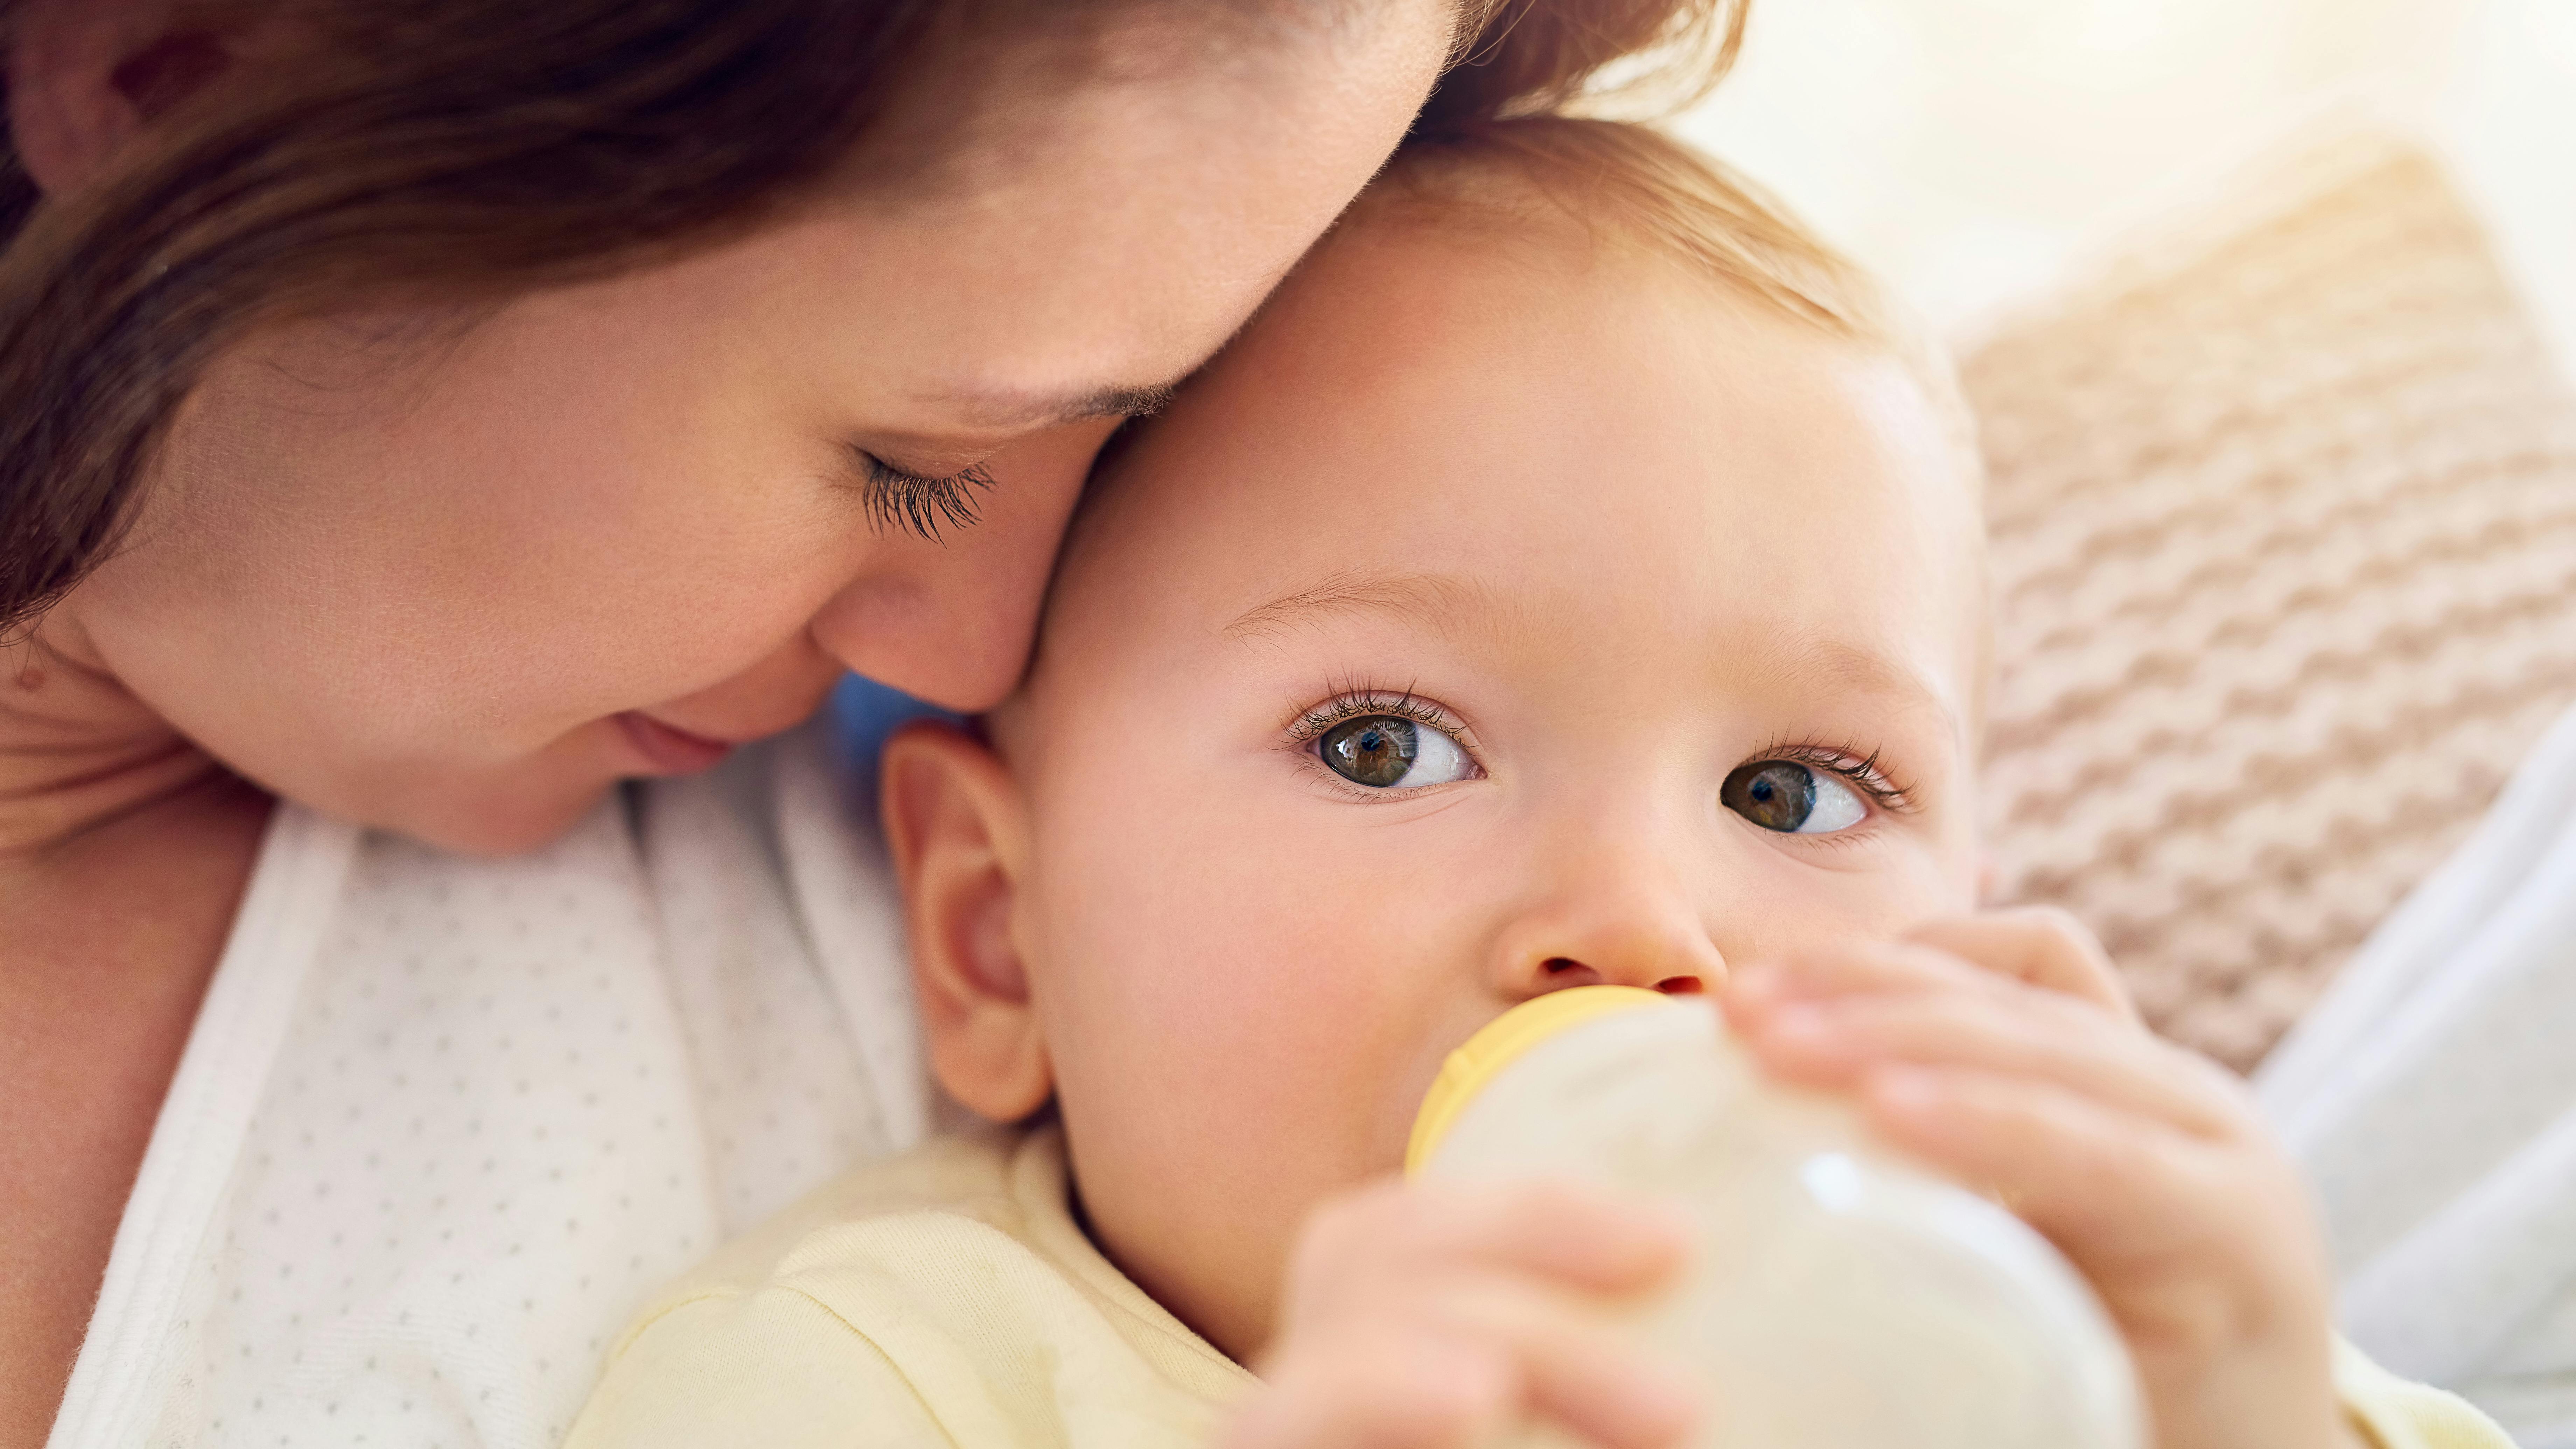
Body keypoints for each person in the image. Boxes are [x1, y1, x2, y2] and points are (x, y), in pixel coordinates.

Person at [563, 120, 2511, 1449]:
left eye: (1796, 791)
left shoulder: (2034, 1341)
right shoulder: (881, 1371)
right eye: (1384, 742)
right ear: (999, 934)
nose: (1643, 916)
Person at [0, 3, 1750, 1446]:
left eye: (1120, 440)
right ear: (180, 67)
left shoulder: (1066, 939)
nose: (978, 656)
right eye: (908, 466)